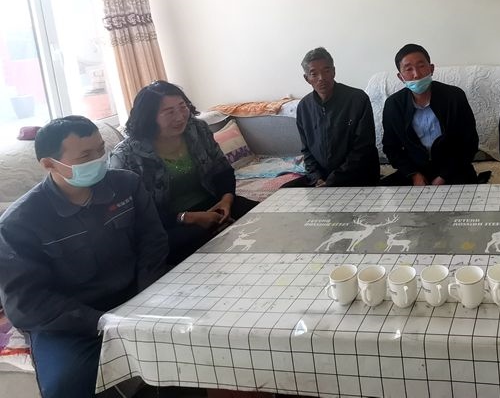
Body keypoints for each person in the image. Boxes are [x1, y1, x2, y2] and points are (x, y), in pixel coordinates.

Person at [0, 116, 168, 398]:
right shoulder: (19, 223)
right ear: (49, 164)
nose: (99, 160)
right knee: (65, 384)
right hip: (68, 320)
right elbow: (27, 303)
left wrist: (146, 298)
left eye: (101, 150)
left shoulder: (125, 184)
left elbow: (153, 241)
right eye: (86, 156)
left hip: (137, 293)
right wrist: (100, 321)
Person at [109, 81, 257, 264]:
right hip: (168, 224)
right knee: (212, 247)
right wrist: (188, 217)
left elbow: (222, 170)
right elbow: (136, 213)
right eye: (169, 112)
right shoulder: (126, 156)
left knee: (265, 216)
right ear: (149, 116)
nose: (180, 117)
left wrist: (226, 201)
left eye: (182, 107)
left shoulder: (197, 129)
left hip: (214, 204)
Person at [381, 43, 479, 185]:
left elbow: (469, 142)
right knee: (383, 193)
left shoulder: (454, 97)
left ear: (431, 68)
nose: (416, 74)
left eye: (421, 66)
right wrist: (413, 174)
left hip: (454, 168)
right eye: (408, 69)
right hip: (415, 169)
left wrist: (443, 176)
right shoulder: (393, 105)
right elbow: (391, 147)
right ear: (400, 77)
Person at [283, 47, 379, 187]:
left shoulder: (358, 99)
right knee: (284, 191)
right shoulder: (304, 107)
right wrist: (317, 178)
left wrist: (333, 181)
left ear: (334, 71)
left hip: (356, 176)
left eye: (326, 71)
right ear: (307, 78)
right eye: (314, 74)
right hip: (321, 178)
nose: (321, 78)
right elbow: (307, 151)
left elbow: (363, 148)